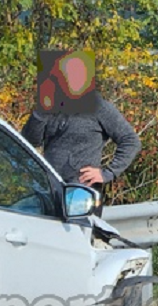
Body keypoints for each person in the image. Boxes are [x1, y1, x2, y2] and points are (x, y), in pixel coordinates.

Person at [21, 50, 141, 212]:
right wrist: (40, 113)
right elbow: (30, 141)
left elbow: (130, 140)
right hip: (49, 190)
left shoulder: (98, 107)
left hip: (81, 195)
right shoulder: (50, 106)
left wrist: (108, 173)